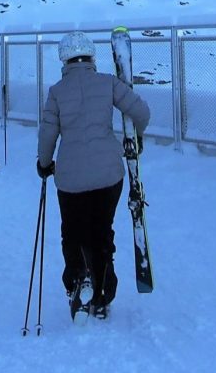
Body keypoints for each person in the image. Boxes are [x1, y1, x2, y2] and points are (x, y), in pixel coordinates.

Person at [37, 31, 150, 320]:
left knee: (73, 232)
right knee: (102, 232)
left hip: (70, 180)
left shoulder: (57, 92)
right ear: (91, 56)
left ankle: (78, 279)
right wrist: (136, 139)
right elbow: (141, 111)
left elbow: (48, 133)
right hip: (108, 175)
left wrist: (44, 162)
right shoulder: (108, 83)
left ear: (64, 59)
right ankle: (102, 293)